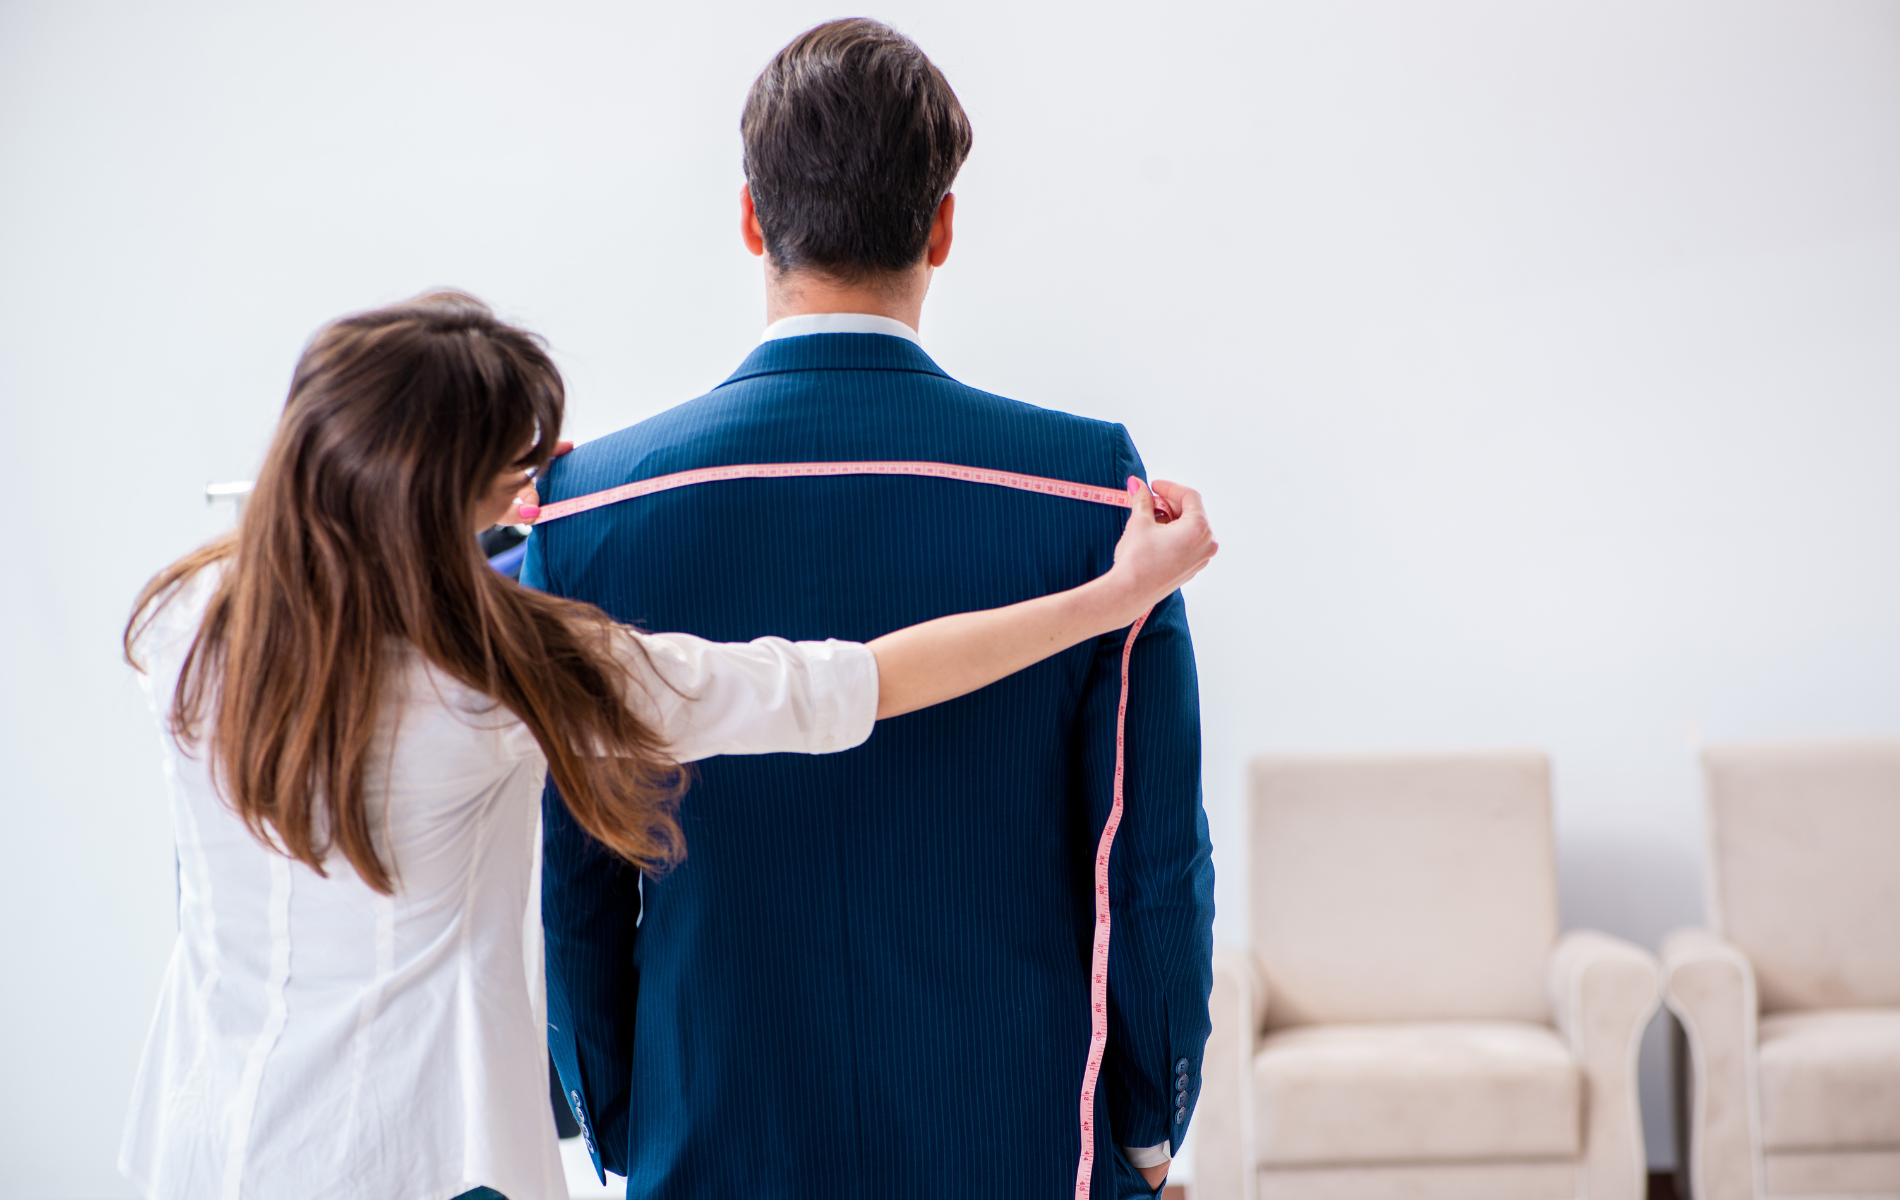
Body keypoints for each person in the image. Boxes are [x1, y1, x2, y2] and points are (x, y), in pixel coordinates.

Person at [117, 291, 1216, 1200]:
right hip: (423, 1149)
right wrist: (1110, 597)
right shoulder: (508, 680)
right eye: (517, 466)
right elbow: (851, 684)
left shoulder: (183, 632)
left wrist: (554, 505)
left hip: (209, 1138)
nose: (537, 479)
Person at [530, 20, 1216, 1199]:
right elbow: (1146, 860)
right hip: (1019, 1135)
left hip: (714, 1132)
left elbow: (571, 884)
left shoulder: (592, 508)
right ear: (943, 226)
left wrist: (617, 1122)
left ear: (750, 217)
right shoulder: (1089, 499)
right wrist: (1148, 1127)